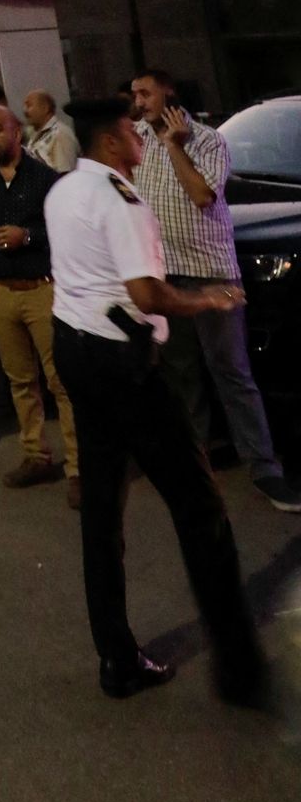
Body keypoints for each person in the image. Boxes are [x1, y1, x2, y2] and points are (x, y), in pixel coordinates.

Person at [47, 94, 270, 703]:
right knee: (199, 508)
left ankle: (116, 659)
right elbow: (147, 294)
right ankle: (240, 669)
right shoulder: (123, 203)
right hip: (125, 365)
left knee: (101, 507)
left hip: (76, 347)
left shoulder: (63, 190)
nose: (139, 132)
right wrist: (211, 299)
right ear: (112, 141)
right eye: (131, 127)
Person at [129, 69, 301, 511]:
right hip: (164, 272)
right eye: (135, 94)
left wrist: (174, 144)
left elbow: (202, 195)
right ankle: (196, 457)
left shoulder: (206, 140)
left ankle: (263, 467)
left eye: (145, 93)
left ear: (168, 94)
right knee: (182, 371)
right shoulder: (135, 140)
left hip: (211, 273)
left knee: (232, 372)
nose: (138, 101)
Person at [0, 106, 79, 502]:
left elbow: (64, 229)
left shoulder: (44, 179)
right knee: (20, 380)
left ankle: (79, 468)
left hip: (40, 288)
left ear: (18, 133)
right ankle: (36, 454)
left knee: (61, 381)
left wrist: (25, 237)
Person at [23, 88, 78, 175]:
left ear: (45, 108)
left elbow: (65, 175)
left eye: (29, 105)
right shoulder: (34, 137)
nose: (25, 111)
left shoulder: (60, 134)